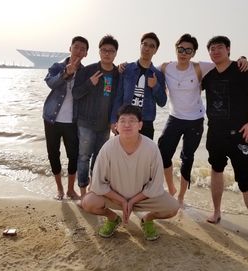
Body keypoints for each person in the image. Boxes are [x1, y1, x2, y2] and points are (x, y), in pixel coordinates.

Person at [158, 34, 248, 207]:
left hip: (195, 120)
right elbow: (147, 69)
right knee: (162, 153)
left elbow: (224, 62)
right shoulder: (165, 67)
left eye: (188, 50)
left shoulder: (200, 67)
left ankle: (181, 197)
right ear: (176, 49)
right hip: (174, 118)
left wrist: (242, 59)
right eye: (181, 49)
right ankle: (171, 188)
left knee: (187, 158)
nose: (183, 53)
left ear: (193, 53)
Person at [201, 36, 248, 247]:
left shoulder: (241, 69)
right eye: (211, 49)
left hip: (239, 134)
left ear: (228, 49)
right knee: (216, 170)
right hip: (214, 133)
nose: (215, 51)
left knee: (247, 181)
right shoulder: (208, 75)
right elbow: (187, 79)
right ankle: (216, 212)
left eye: (219, 48)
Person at [81, 105, 179, 241]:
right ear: (116, 126)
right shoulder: (108, 148)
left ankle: (147, 219)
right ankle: (113, 218)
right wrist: (121, 200)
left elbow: (156, 185)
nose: (127, 124)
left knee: (172, 208)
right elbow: (97, 184)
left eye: (132, 120)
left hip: (143, 199)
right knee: (88, 202)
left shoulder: (151, 148)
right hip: (115, 198)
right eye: (122, 121)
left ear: (140, 125)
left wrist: (132, 200)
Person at [72, 35, 119, 196]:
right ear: (99, 52)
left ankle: (94, 190)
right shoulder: (88, 71)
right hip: (85, 123)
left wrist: (115, 122)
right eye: (104, 50)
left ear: (115, 53)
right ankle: (83, 191)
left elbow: (118, 100)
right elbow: (75, 93)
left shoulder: (117, 74)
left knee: (99, 159)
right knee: (84, 157)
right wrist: (89, 83)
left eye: (111, 51)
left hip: (105, 125)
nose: (107, 53)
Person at [43, 36, 89, 200]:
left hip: (72, 121)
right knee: (53, 154)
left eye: (82, 49)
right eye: (76, 47)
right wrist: (66, 73)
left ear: (86, 54)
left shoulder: (85, 72)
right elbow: (50, 83)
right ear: (70, 48)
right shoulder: (58, 66)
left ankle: (70, 189)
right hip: (51, 119)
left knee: (74, 155)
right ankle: (60, 189)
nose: (78, 50)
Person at [110, 32, 166, 139]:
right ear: (140, 46)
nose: (147, 48)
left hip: (146, 122)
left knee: (144, 155)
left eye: (151, 46)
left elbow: (162, 102)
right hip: (125, 120)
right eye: (144, 44)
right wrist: (113, 120)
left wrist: (155, 86)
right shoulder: (126, 69)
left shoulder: (158, 75)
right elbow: (118, 96)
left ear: (156, 50)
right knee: (123, 154)